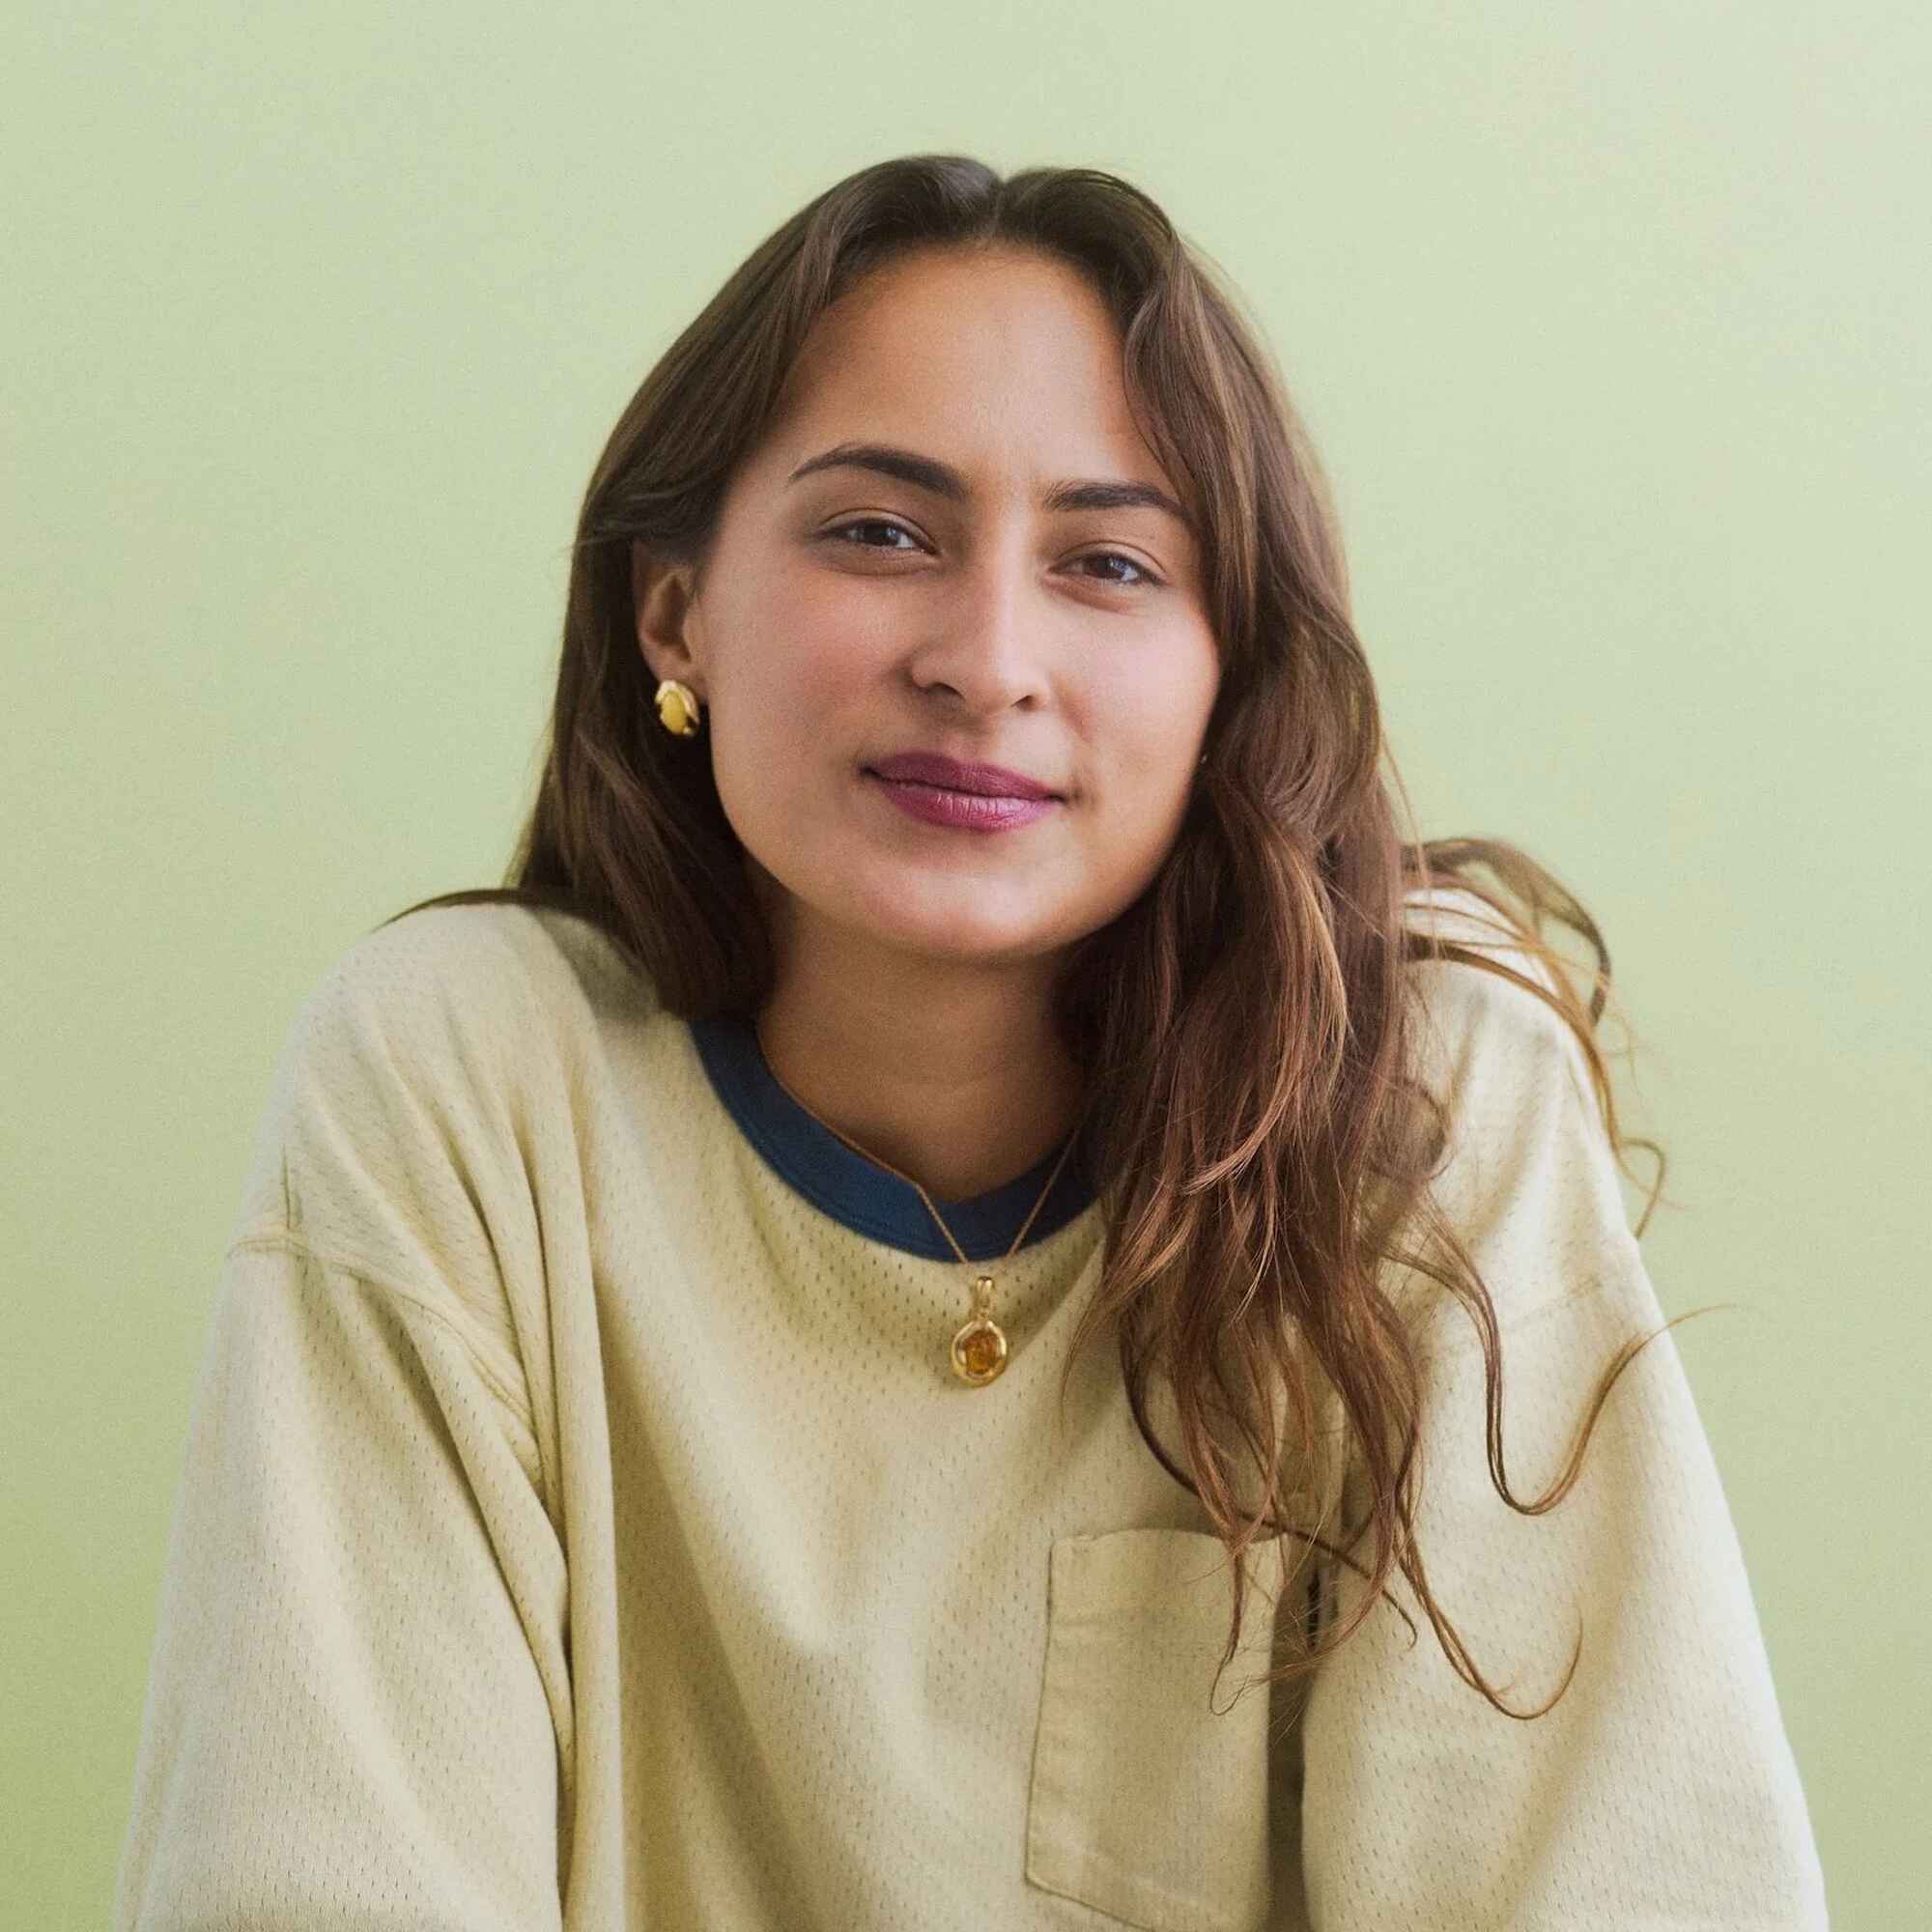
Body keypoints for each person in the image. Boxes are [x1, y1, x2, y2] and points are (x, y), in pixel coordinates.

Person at [112, 154, 1828, 1930]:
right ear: (672, 609)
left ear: (1227, 671)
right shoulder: (468, 1082)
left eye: (1107, 562)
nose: (987, 658)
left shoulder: (1429, 1098)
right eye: (880, 533)